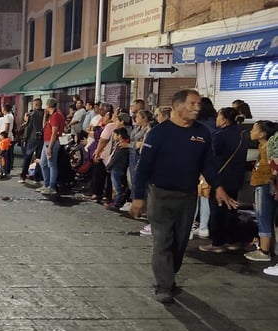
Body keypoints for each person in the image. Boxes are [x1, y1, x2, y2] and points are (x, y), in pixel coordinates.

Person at [131, 89, 238, 304]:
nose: (197, 107)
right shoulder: (159, 133)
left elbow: (209, 164)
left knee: (179, 243)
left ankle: (169, 274)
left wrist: (218, 186)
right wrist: (138, 197)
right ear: (177, 105)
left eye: (198, 103)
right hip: (159, 195)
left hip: (187, 196)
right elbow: (143, 167)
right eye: (192, 103)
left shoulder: (203, 133)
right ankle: (164, 285)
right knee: (163, 240)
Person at [198, 107, 248, 253]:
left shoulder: (220, 135)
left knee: (218, 210)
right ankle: (232, 241)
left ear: (225, 119)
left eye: (219, 117)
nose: (216, 120)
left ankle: (218, 243)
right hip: (235, 178)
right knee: (231, 210)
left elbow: (211, 156)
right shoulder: (241, 135)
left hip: (220, 178)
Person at [243, 120, 277, 264]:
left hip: (264, 185)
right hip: (262, 185)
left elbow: (269, 169)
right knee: (262, 216)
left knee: (263, 217)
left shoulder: (268, 149)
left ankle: (264, 251)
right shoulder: (262, 146)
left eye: (254, 129)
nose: (251, 131)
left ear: (262, 134)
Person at [39, 99, 65, 195]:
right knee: (43, 163)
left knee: (51, 165)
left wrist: (50, 147)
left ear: (48, 105)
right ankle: (46, 184)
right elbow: (44, 127)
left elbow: (54, 133)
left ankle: (51, 186)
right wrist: (45, 116)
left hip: (51, 142)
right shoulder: (52, 116)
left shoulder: (56, 116)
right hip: (46, 141)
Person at [104, 127, 130, 211]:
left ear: (120, 135)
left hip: (117, 168)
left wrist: (109, 166)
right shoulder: (120, 144)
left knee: (117, 187)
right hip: (117, 167)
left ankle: (117, 202)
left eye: (115, 135)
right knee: (116, 186)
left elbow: (116, 158)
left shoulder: (123, 146)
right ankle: (115, 201)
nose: (114, 136)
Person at [19, 99, 44, 183]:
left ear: (36, 105)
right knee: (39, 158)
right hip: (42, 139)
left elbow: (28, 128)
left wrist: (25, 138)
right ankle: (37, 178)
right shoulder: (45, 114)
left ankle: (23, 176)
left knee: (27, 157)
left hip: (32, 139)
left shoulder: (32, 114)